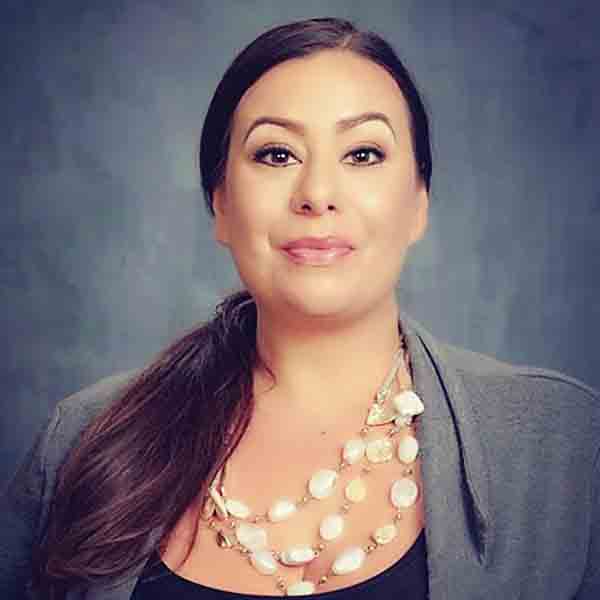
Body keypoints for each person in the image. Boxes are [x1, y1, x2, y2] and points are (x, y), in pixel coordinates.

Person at [1, 16, 598, 600]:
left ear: (419, 202)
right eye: (276, 155)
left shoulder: (562, 443)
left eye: (363, 154)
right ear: (221, 205)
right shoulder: (82, 439)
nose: (316, 194)